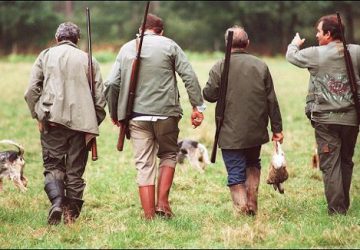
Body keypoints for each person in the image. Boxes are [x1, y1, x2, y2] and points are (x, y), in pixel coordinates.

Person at [104, 13, 205, 220]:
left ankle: (149, 215)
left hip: (136, 116)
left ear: (140, 30)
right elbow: (189, 75)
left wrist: (116, 113)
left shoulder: (126, 48)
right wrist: (197, 106)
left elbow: (112, 84)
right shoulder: (170, 45)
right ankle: (163, 204)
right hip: (166, 114)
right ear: (161, 31)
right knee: (168, 154)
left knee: (144, 164)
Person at [24, 22, 106, 225]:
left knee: (53, 165)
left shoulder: (45, 55)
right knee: (75, 171)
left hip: (52, 121)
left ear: (56, 37)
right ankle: (71, 217)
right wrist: (92, 122)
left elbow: (31, 91)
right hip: (82, 125)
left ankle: (57, 203)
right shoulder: (90, 60)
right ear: (77, 39)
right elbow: (100, 99)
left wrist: (38, 116)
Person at [203, 25, 283, 216]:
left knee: (235, 171)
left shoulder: (220, 66)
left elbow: (209, 95)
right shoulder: (260, 65)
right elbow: (271, 99)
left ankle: (242, 209)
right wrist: (277, 129)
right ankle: (252, 203)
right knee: (253, 164)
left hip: (229, 131)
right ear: (247, 43)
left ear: (226, 44)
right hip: (255, 129)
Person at [286, 14, 360, 215]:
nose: (317, 36)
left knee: (330, 164)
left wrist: (294, 44)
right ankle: (343, 204)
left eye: (319, 32)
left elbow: (291, 56)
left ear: (328, 34)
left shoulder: (316, 53)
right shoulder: (356, 52)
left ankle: (337, 210)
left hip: (326, 120)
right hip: (352, 118)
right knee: (346, 160)